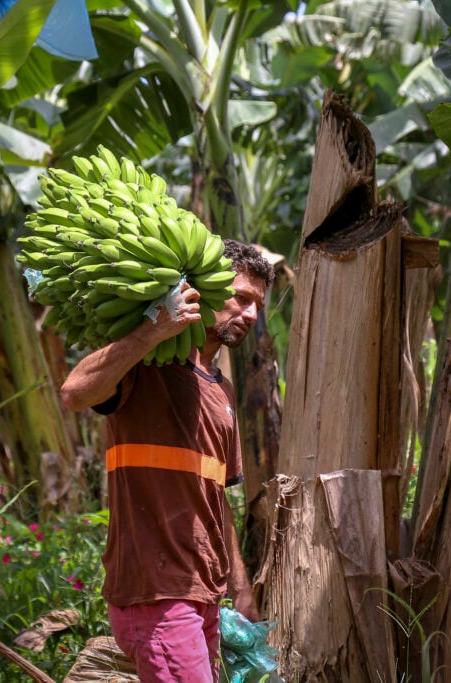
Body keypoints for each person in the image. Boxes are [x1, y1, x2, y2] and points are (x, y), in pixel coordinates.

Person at [59, 239, 274, 682]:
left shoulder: (222, 391)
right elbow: (74, 392)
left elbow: (217, 502)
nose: (250, 314)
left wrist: (241, 590)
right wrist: (152, 331)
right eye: (241, 298)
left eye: (258, 305)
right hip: (157, 592)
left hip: (203, 594)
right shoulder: (148, 367)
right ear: (208, 291)